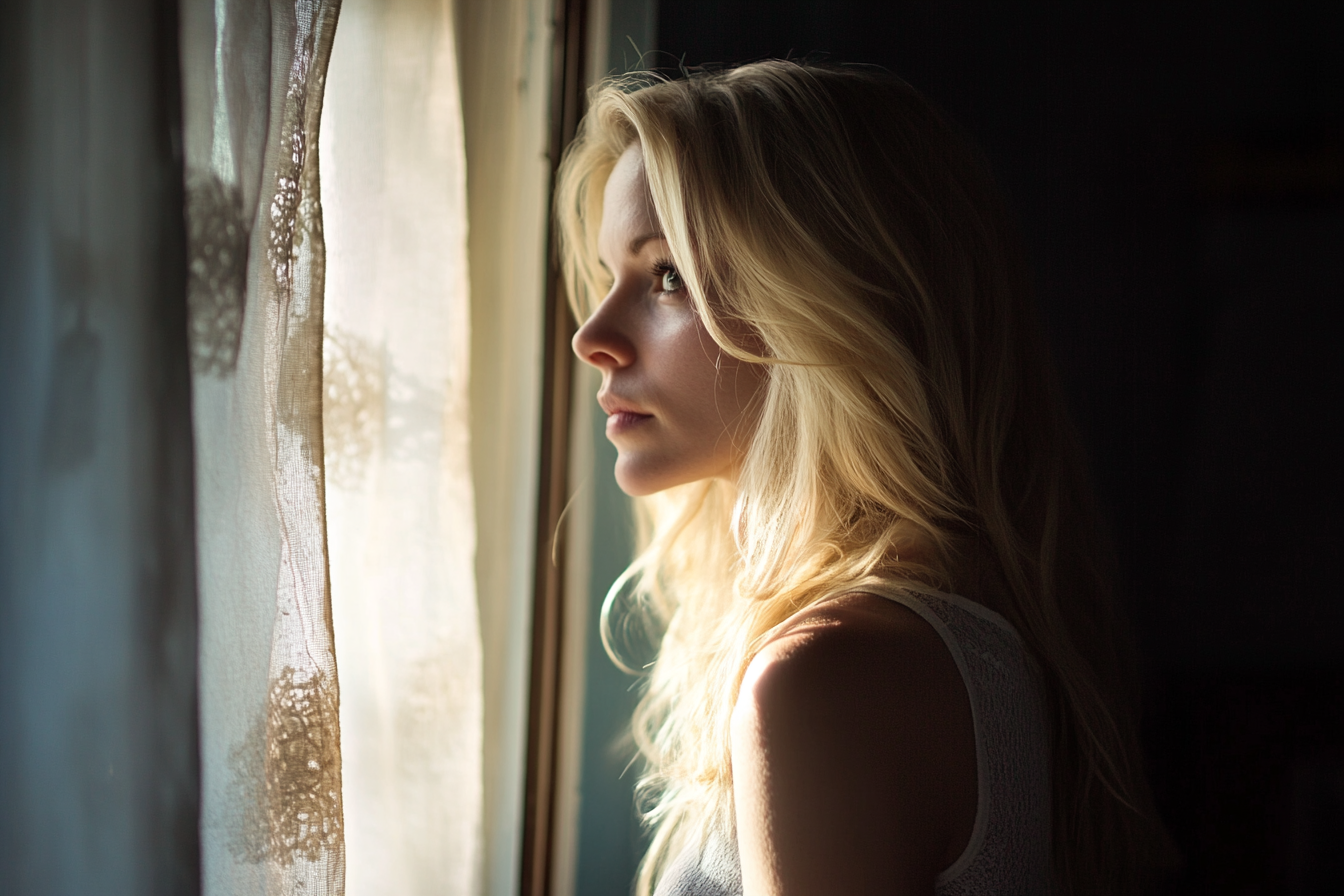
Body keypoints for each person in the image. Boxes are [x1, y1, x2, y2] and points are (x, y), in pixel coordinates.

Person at [557, 60, 1169, 896]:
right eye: (608, 277)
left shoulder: (824, 677)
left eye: (668, 276)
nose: (592, 336)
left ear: (836, 299)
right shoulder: (954, 639)